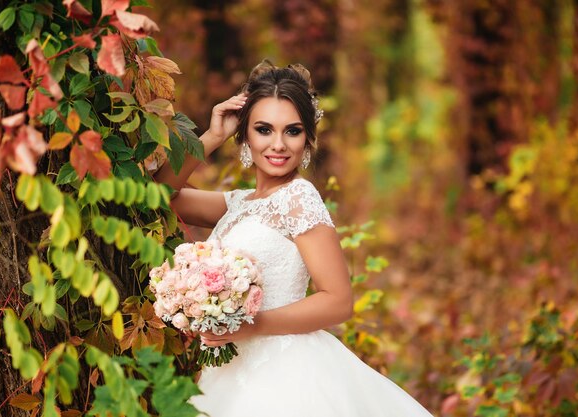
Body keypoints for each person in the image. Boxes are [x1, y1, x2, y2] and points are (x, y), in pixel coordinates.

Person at [154, 60, 434, 417]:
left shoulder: (299, 198)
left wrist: (247, 326)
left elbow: (338, 301)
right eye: (264, 129)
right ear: (246, 136)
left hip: (283, 371)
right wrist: (212, 136)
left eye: (293, 131)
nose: (278, 144)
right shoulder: (240, 204)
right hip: (230, 369)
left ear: (308, 139)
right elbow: (159, 194)